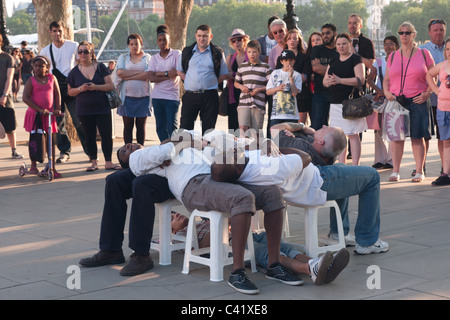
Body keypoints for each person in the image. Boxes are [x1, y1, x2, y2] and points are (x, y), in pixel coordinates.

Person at [80, 133, 300, 295]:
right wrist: (178, 144)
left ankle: (274, 265)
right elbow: (173, 147)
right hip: (187, 179)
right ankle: (114, 250)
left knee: (272, 193)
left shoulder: (167, 145)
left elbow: (198, 139)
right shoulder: (144, 157)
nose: (127, 146)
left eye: (127, 146)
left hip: (199, 174)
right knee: (116, 181)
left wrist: (179, 143)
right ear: (126, 160)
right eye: (124, 151)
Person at [211, 125, 389, 255]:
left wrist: (254, 143)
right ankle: (367, 241)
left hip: (308, 181)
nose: (234, 152)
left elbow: (232, 142)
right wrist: (276, 147)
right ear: (236, 167)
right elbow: (304, 158)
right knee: (372, 176)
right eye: (233, 154)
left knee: (344, 170)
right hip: (319, 180)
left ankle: (338, 232)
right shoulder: (270, 166)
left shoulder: (245, 164)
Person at [171, 212, 350, 286]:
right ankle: (310, 269)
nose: (176, 214)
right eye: (173, 217)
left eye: (175, 212)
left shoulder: (202, 220)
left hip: (249, 234)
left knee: (281, 245)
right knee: (269, 254)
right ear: (172, 230)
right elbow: (205, 246)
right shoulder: (185, 234)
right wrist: (226, 224)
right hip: (235, 244)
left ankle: (317, 264)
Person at [383, 22, 435, 182]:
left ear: (414, 34)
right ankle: (395, 171)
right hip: (397, 100)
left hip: (418, 99)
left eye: (407, 32)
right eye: (401, 32)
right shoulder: (392, 56)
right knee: (396, 138)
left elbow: (434, 76)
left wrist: (428, 93)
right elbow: (386, 79)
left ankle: (420, 171)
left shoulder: (424, 54)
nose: (404, 35)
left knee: (417, 137)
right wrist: (387, 92)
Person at [67, 41, 120, 172]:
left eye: (86, 51)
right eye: (80, 51)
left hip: (102, 107)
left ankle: (108, 162)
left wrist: (96, 87)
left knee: (106, 134)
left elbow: (110, 86)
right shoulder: (74, 72)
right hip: (84, 109)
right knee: (89, 136)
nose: (83, 54)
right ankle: (93, 162)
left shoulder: (101, 67)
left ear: (92, 53)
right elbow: (70, 91)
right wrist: (81, 88)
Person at [40, 20, 88, 163]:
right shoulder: (45, 50)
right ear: (50, 33)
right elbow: (43, 72)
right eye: (54, 31)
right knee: (59, 124)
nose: (57, 34)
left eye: (59, 31)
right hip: (55, 90)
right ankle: (64, 151)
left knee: (79, 120)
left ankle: (90, 151)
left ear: (64, 31)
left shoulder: (73, 46)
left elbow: (83, 62)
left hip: (72, 88)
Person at [323, 33, 366, 166]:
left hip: (351, 103)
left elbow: (360, 80)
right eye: (339, 44)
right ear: (336, 46)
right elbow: (324, 81)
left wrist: (340, 80)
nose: (341, 46)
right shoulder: (334, 60)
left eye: (344, 44)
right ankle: (342, 164)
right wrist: (329, 81)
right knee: (340, 136)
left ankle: (355, 165)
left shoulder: (356, 59)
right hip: (335, 103)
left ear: (350, 44)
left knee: (353, 135)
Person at [177, 24, 228, 135]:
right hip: (190, 95)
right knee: (185, 129)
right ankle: (184, 152)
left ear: (211, 37)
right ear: (196, 36)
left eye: (205, 36)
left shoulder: (217, 53)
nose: (202, 38)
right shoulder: (187, 52)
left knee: (208, 131)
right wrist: (190, 81)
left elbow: (223, 74)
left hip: (210, 96)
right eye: (199, 35)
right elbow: (179, 71)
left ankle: (206, 152)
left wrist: (211, 83)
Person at [22, 56, 62, 178]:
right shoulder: (31, 80)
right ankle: (34, 165)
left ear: (47, 68)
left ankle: (52, 166)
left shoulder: (51, 78)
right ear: (33, 67)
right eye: (36, 66)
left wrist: (58, 108)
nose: (39, 68)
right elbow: (25, 98)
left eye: (41, 66)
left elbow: (57, 95)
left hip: (49, 115)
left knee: (51, 140)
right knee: (35, 139)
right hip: (35, 114)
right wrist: (38, 109)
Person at [367, 36, 399, 170]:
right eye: (385, 44)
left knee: (393, 128)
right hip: (381, 99)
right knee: (378, 129)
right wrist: (380, 91)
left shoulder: (400, 60)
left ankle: (391, 160)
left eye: (391, 44)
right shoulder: (379, 62)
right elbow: (369, 79)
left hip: (395, 98)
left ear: (396, 46)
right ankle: (380, 159)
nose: (388, 47)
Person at [421, 19, 447, 176]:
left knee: (444, 137)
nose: (438, 33)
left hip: (445, 102)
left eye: (441, 30)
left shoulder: (449, 48)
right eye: (435, 30)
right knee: (424, 136)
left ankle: (445, 167)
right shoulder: (422, 51)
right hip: (427, 100)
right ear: (429, 32)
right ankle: (420, 167)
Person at [116, 33, 152, 146]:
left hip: (143, 97)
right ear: (128, 45)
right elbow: (120, 73)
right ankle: (127, 152)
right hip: (127, 98)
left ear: (141, 44)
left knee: (141, 127)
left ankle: (140, 151)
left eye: (136, 44)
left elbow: (148, 75)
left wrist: (128, 76)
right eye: (131, 44)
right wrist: (140, 74)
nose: (134, 46)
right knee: (128, 127)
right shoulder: (123, 57)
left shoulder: (148, 57)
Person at [148, 24, 181, 142]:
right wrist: (169, 74)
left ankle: (176, 151)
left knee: (172, 127)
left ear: (169, 41)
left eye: (165, 40)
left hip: (172, 97)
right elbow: (151, 78)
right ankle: (166, 151)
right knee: (160, 128)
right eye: (160, 40)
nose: (162, 43)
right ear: (157, 41)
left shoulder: (177, 54)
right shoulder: (154, 58)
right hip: (157, 97)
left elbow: (177, 71)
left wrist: (161, 73)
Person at [234, 40, 271, 139]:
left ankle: (256, 152)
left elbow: (271, 86)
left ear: (259, 52)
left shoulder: (266, 67)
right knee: (243, 128)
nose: (252, 54)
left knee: (256, 133)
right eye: (249, 52)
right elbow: (236, 83)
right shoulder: (242, 67)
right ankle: (243, 152)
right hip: (244, 102)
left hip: (258, 103)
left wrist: (259, 90)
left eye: (254, 52)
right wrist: (242, 87)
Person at [426, 37, 450, 185]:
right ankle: (446, 173)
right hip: (443, 109)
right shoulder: (442, 65)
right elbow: (428, 74)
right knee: (446, 141)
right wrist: (435, 89)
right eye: (448, 49)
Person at [276, 28, 312, 125]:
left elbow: (305, 77)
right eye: (290, 38)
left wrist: (289, 76)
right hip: (285, 96)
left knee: (300, 127)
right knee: (286, 127)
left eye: (295, 38)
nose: (292, 40)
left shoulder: (304, 58)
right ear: (286, 41)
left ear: (299, 41)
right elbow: (277, 77)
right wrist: (295, 76)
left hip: (301, 96)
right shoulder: (281, 58)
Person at [310, 23, 339, 130]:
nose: (325, 36)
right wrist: (333, 70)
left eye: (328, 33)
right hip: (319, 94)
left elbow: (341, 72)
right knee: (317, 127)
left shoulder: (339, 50)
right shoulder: (317, 49)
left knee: (336, 128)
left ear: (335, 34)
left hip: (336, 94)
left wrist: (322, 67)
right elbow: (315, 68)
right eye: (323, 34)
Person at [266, 49, 302, 129]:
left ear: (294, 61)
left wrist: (291, 78)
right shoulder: (275, 73)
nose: (288, 63)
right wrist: (277, 88)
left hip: (292, 115)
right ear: (281, 61)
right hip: (276, 115)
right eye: (285, 60)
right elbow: (268, 91)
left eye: (290, 60)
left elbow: (295, 93)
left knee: (291, 139)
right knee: (276, 139)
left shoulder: (297, 75)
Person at [0, 34, 23, 159]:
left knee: (10, 123)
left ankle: (14, 150)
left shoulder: (7, 58)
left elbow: (9, 78)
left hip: (5, 95)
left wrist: (4, 94)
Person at [225, 29, 250, 131]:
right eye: (234, 40)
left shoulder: (251, 56)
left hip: (248, 95)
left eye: (239, 39)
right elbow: (227, 75)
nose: (237, 42)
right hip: (233, 96)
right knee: (233, 127)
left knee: (247, 127)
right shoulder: (230, 58)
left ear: (244, 40)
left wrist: (234, 75)